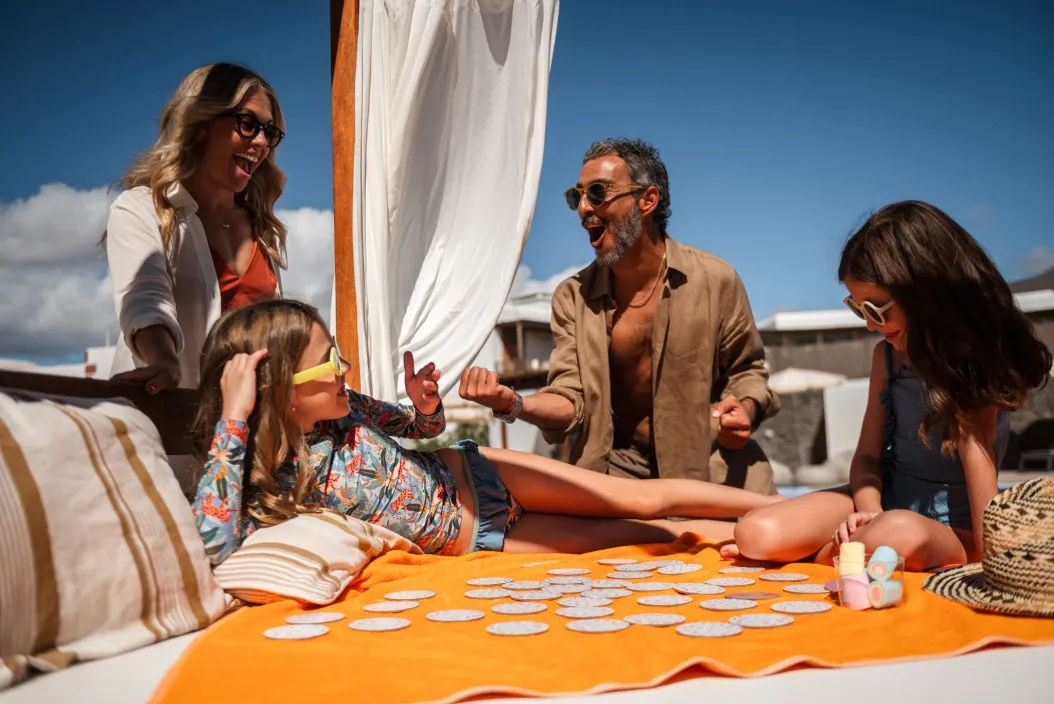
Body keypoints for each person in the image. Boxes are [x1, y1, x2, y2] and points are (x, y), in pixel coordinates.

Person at [190, 300, 785, 564]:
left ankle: (780, 512)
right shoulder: (265, 476)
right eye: (327, 362)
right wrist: (233, 420)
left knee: (644, 496)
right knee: (644, 534)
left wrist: (425, 406)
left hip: (482, 474)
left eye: (339, 353)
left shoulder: (346, 409)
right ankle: (770, 537)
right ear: (273, 388)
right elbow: (213, 545)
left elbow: (422, 429)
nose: (344, 369)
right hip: (479, 541)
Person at [722, 201, 1052, 571]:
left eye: (877, 310)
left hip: (952, 530)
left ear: (925, 293)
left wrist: (992, 559)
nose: (868, 324)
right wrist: (869, 512)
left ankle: (817, 557)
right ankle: (840, 554)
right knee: (756, 532)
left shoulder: (969, 364)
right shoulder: (887, 358)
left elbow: (981, 471)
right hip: (885, 506)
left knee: (897, 534)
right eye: (857, 308)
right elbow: (866, 458)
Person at [459, 138, 780, 493]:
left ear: (647, 200)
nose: (583, 208)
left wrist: (744, 410)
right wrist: (513, 403)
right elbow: (570, 397)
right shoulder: (573, 297)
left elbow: (748, 371)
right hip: (615, 483)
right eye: (575, 196)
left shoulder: (716, 280)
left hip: (712, 474)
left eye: (598, 192)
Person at [104, 62, 288, 393]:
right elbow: (145, 300)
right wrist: (163, 361)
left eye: (270, 132)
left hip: (246, 430)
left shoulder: (264, 230)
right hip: (164, 423)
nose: (262, 143)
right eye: (247, 124)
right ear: (200, 123)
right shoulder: (140, 208)